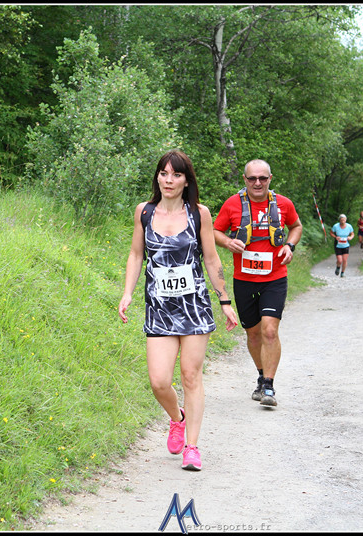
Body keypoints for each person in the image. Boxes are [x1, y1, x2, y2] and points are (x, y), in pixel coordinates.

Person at [119, 149, 238, 472]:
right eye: (164, 174)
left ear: (187, 181)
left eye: (176, 175)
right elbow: (136, 254)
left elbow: (211, 258)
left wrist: (224, 300)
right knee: (159, 381)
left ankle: (192, 447)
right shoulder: (144, 212)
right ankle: (177, 418)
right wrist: (127, 293)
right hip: (159, 308)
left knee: (190, 375)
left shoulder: (199, 213)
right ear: (157, 177)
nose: (168, 180)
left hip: (194, 306)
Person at [212, 159, 302, 408]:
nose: (258, 183)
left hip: (275, 278)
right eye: (252, 178)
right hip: (244, 280)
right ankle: (262, 377)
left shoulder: (283, 204)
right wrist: (227, 242)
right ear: (245, 180)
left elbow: (296, 226)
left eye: (263, 178)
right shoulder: (232, 204)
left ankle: (269, 385)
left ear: (270, 179)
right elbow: (215, 231)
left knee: (269, 331)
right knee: (252, 333)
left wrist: (289, 245)